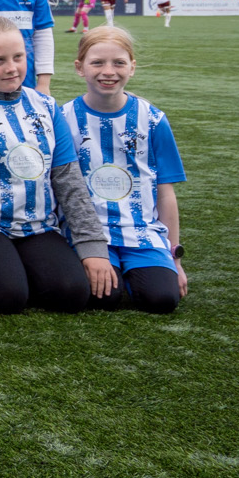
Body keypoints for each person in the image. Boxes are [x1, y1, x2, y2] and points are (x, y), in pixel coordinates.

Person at [0, 13, 114, 314]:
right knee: (6, 297)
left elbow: (68, 180)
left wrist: (93, 247)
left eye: (18, 57)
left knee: (72, 294)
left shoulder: (46, 106)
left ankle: (14, 268)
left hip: (37, 226)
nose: (12, 68)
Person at [62, 27, 186, 314]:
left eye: (118, 63)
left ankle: (139, 271)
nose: (109, 71)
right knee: (103, 298)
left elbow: (165, 192)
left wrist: (175, 258)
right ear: (80, 68)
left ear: (132, 67)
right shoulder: (64, 118)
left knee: (162, 299)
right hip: (89, 234)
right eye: (97, 63)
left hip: (141, 232)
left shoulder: (152, 119)